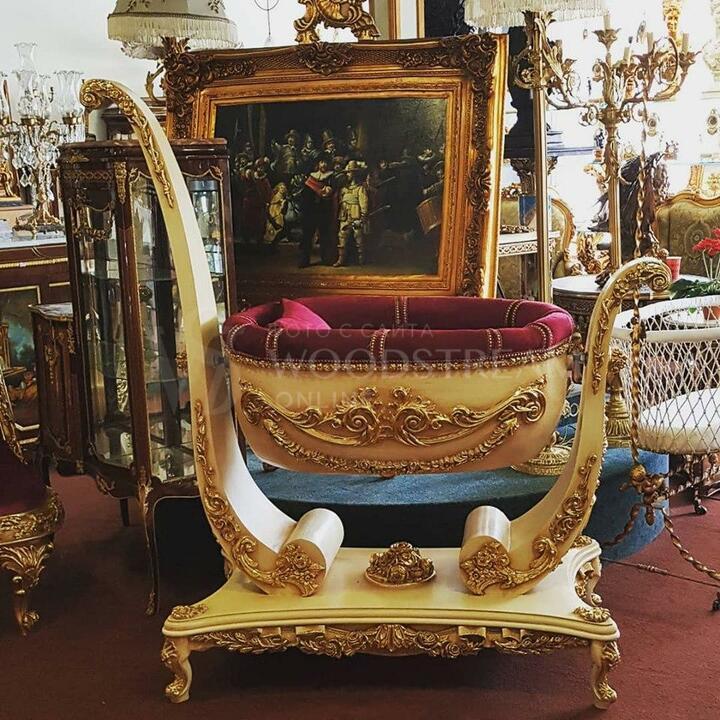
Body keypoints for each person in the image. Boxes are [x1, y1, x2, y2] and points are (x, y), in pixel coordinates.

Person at [299, 154, 336, 267]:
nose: (323, 164)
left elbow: (334, 193)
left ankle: (326, 258)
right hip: (311, 212)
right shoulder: (311, 178)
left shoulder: (331, 177)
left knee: (325, 235)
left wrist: (329, 192)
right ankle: (304, 260)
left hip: (324, 211)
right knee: (307, 236)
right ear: (318, 164)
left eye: (325, 162)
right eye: (321, 162)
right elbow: (305, 196)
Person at [334, 160, 369, 267]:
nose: (347, 174)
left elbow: (364, 205)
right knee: (342, 236)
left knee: (359, 238)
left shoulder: (360, 189)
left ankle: (362, 259)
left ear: (354, 174)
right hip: (344, 216)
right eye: (347, 172)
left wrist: (362, 218)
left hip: (356, 216)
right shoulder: (344, 189)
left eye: (349, 172)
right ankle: (341, 259)